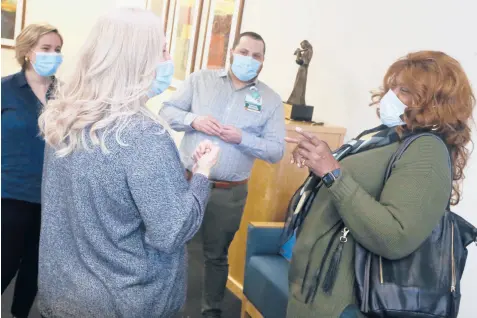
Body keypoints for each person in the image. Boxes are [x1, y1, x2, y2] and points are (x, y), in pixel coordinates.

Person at [37, 8, 219, 318]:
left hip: (62, 294)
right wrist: (202, 174)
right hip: (123, 303)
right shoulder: (143, 135)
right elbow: (172, 232)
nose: (168, 57)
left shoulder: (63, 117)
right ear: (137, 58)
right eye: (161, 49)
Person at [285, 51, 474, 318]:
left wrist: (332, 173)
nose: (390, 95)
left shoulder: (427, 150)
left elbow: (395, 237)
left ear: (435, 102)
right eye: (393, 87)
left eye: (404, 90)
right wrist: (321, 159)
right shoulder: (388, 137)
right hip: (313, 287)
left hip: (343, 302)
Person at [160, 31, 286, 317]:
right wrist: (194, 120)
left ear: (263, 61)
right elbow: (167, 111)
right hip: (187, 182)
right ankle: (166, 304)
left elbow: (276, 150)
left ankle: (211, 310)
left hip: (229, 192)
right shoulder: (200, 80)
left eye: (256, 55)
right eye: (244, 52)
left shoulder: (270, 100)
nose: (248, 59)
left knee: (215, 256)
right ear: (232, 52)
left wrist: (243, 138)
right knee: (172, 245)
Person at [1, 23, 63, 318]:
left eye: (58, 50)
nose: (54, 55)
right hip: (11, 194)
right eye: (46, 49)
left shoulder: (67, 96)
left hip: (54, 198)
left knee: (36, 268)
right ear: (27, 52)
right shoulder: (5, 90)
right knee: (5, 263)